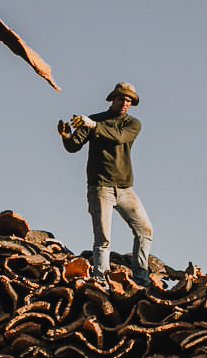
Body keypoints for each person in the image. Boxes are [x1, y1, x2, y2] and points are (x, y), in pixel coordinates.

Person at [58, 82, 154, 286]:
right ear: (113, 99)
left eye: (129, 100)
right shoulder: (93, 120)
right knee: (103, 239)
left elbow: (118, 137)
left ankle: (141, 276)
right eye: (122, 99)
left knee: (145, 230)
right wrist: (66, 135)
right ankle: (101, 278)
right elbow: (74, 146)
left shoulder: (132, 124)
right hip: (101, 186)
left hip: (125, 188)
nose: (125, 103)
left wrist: (92, 125)